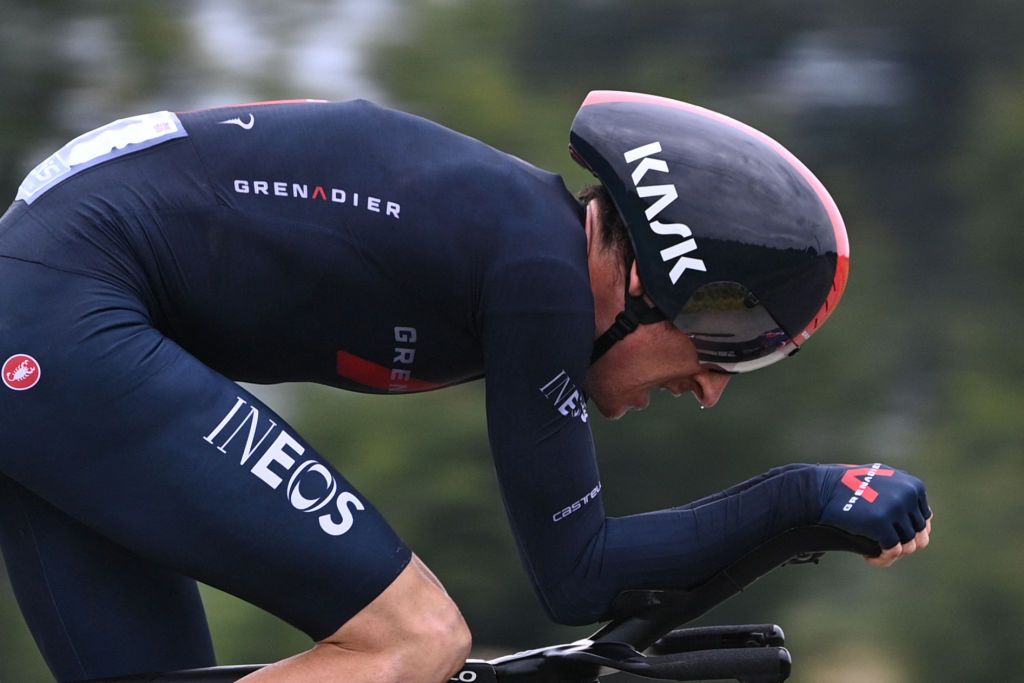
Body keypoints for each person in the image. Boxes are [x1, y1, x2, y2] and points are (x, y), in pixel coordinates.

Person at [0, 91, 931, 683]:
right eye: (721, 348)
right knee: (415, 638)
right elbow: (577, 573)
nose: (713, 388)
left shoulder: (516, 242)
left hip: (54, 315)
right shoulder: (541, 276)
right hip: (62, 317)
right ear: (652, 280)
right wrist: (805, 496)